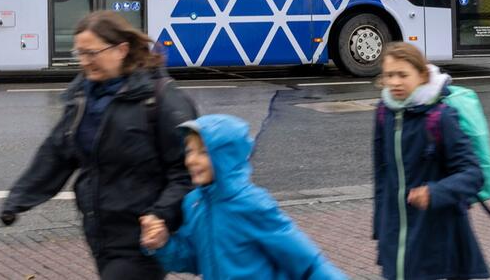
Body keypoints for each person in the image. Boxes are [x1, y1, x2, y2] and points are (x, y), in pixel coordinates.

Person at [0, 11, 198, 280]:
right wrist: (19, 199)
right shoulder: (83, 97)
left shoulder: (161, 100)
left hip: (143, 237)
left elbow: (186, 172)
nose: (84, 62)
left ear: (122, 49)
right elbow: (57, 153)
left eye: (91, 53)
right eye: (79, 54)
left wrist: (160, 216)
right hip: (100, 234)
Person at [140, 114, 346, 280]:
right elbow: (192, 259)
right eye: (189, 151)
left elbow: (305, 260)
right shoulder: (194, 204)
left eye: (203, 152)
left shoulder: (251, 204)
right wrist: (163, 244)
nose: (192, 160)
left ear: (225, 157)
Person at [373, 43, 490, 280]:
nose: (394, 82)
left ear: (422, 76)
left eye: (402, 75)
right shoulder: (384, 113)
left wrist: (434, 192)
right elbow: (381, 175)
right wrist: (381, 230)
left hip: (436, 239)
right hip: (396, 236)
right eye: (389, 75)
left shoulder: (440, 117)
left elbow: (473, 174)